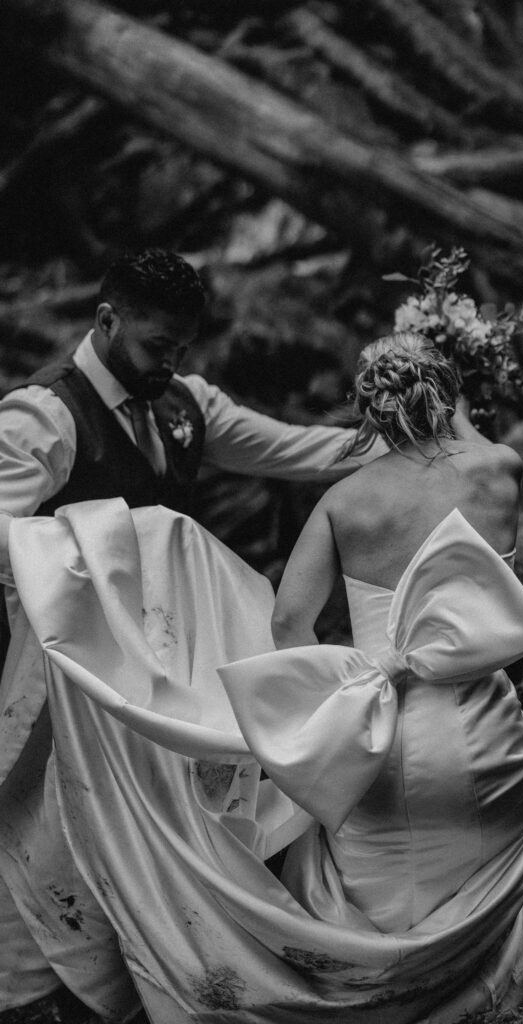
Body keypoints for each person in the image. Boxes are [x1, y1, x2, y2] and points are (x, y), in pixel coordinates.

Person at [5, 331, 523, 1021]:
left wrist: (334, 705)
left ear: (366, 408)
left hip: (386, 745)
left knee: (365, 905)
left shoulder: (344, 503)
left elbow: (289, 626)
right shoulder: (501, 467)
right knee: (473, 870)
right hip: (488, 734)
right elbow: (465, 455)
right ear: (450, 393)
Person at [0, 248, 382, 1021]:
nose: (167, 364)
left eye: (179, 349)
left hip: (162, 689)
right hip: (64, 683)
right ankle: (24, 993)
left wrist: (415, 436)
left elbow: (298, 450)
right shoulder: (43, 413)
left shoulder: (186, 406)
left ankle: (143, 978)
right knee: (50, 828)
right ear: (106, 320)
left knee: (156, 830)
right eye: (153, 347)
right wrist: (98, 557)